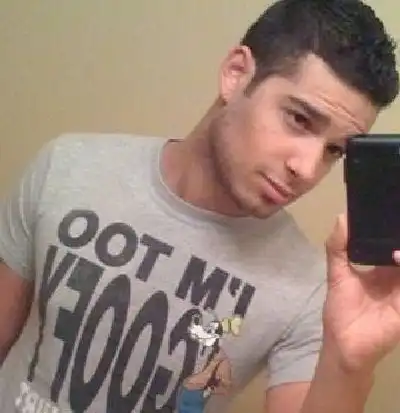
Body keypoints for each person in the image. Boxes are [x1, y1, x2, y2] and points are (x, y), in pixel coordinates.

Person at [0, 0, 399, 412]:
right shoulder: (68, 166)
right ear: (236, 74)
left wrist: (349, 364)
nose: (308, 169)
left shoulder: (309, 286)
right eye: (299, 119)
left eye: (334, 151)